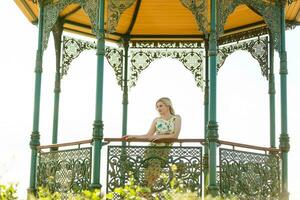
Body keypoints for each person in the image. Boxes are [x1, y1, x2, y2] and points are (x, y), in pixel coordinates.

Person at [122, 97, 181, 189]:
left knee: (156, 174)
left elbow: (175, 136)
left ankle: (146, 193)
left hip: (164, 150)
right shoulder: (156, 120)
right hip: (152, 149)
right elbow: (148, 136)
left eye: (161, 106)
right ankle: (146, 193)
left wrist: (159, 137)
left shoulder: (176, 118)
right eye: (157, 107)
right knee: (149, 175)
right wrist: (134, 136)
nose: (158, 108)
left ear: (168, 105)